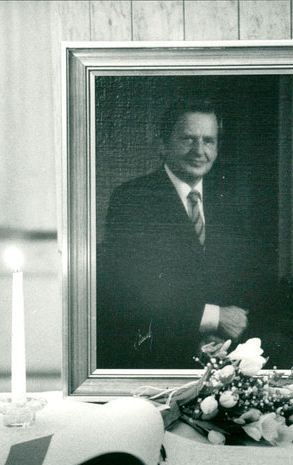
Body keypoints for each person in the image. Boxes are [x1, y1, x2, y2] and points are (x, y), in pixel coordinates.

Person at [97, 96, 260, 369]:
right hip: (156, 353)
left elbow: (243, 279)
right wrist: (213, 317)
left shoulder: (226, 203)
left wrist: (225, 331)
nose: (199, 150)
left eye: (208, 141)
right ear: (163, 144)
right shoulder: (132, 198)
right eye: (188, 139)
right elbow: (133, 289)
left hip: (222, 352)